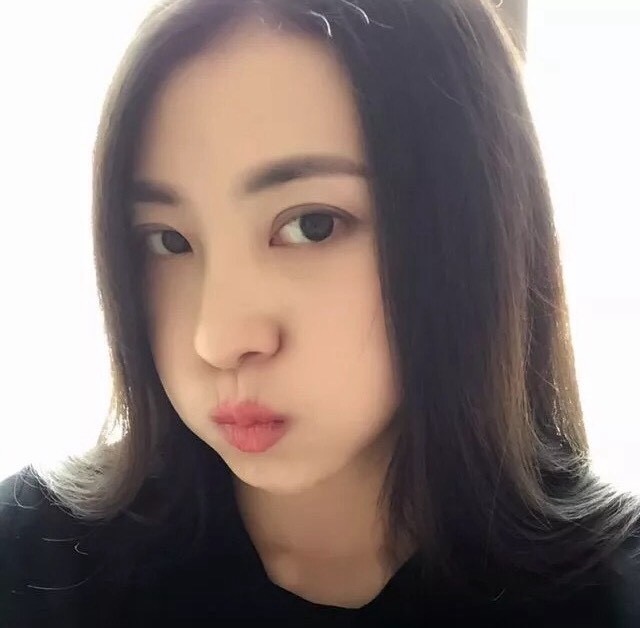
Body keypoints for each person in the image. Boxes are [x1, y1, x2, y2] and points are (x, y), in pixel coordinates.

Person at [1, 0, 639, 625]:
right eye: (168, 241)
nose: (218, 339)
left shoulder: (608, 593)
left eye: (312, 225)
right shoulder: (34, 561)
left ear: (471, 227)